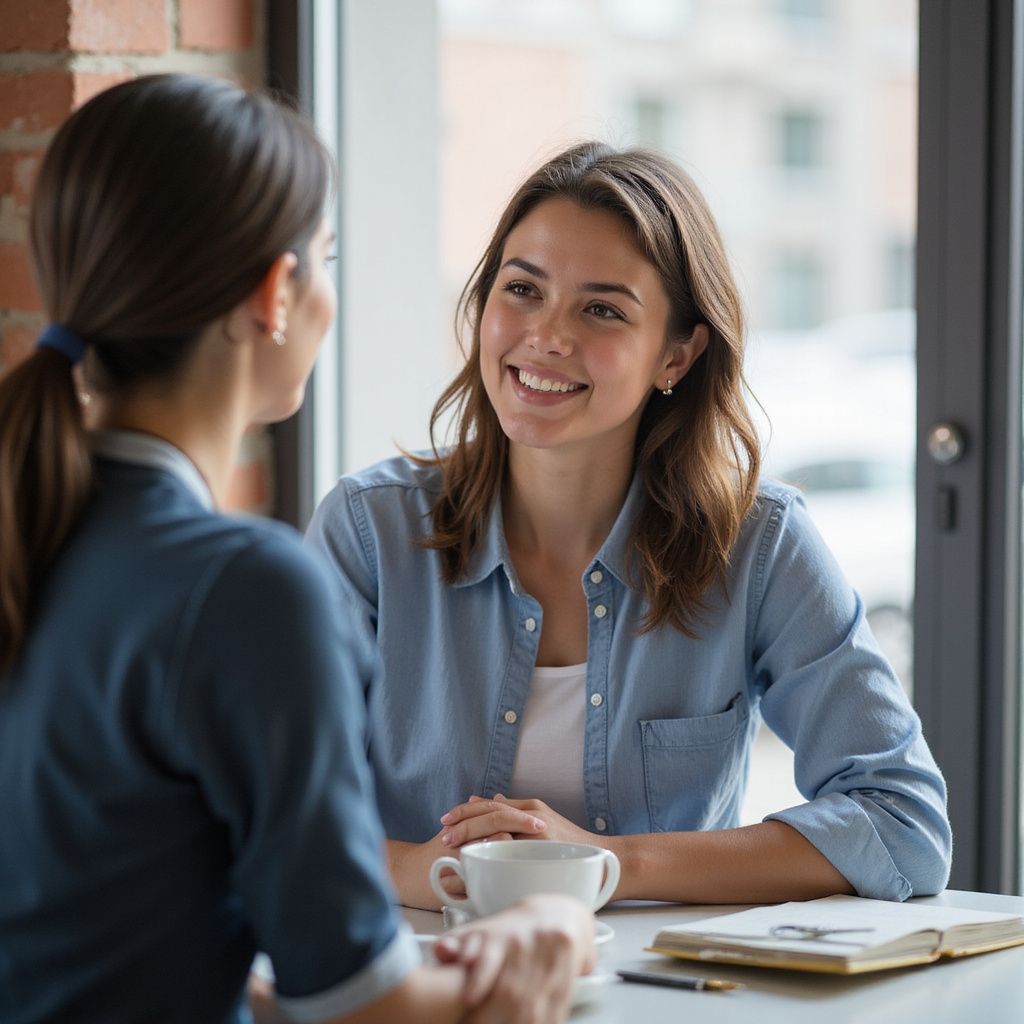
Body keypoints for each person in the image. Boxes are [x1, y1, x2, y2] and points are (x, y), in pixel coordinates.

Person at [0, 75, 594, 1024]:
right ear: (276, 294)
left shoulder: (30, 530)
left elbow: (96, 939)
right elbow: (366, 1009)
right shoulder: (245, 586)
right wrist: (545, 941)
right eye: (324, 258)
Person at [306, 141, 953, 912]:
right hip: (416, 984)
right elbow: (271, 819)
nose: (547, 336)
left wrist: (604, 863)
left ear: (676, 354)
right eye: (522, 289)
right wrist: (452, 873)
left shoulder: (760, 544)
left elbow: (904, 823)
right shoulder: (368, 532)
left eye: (603, 309)